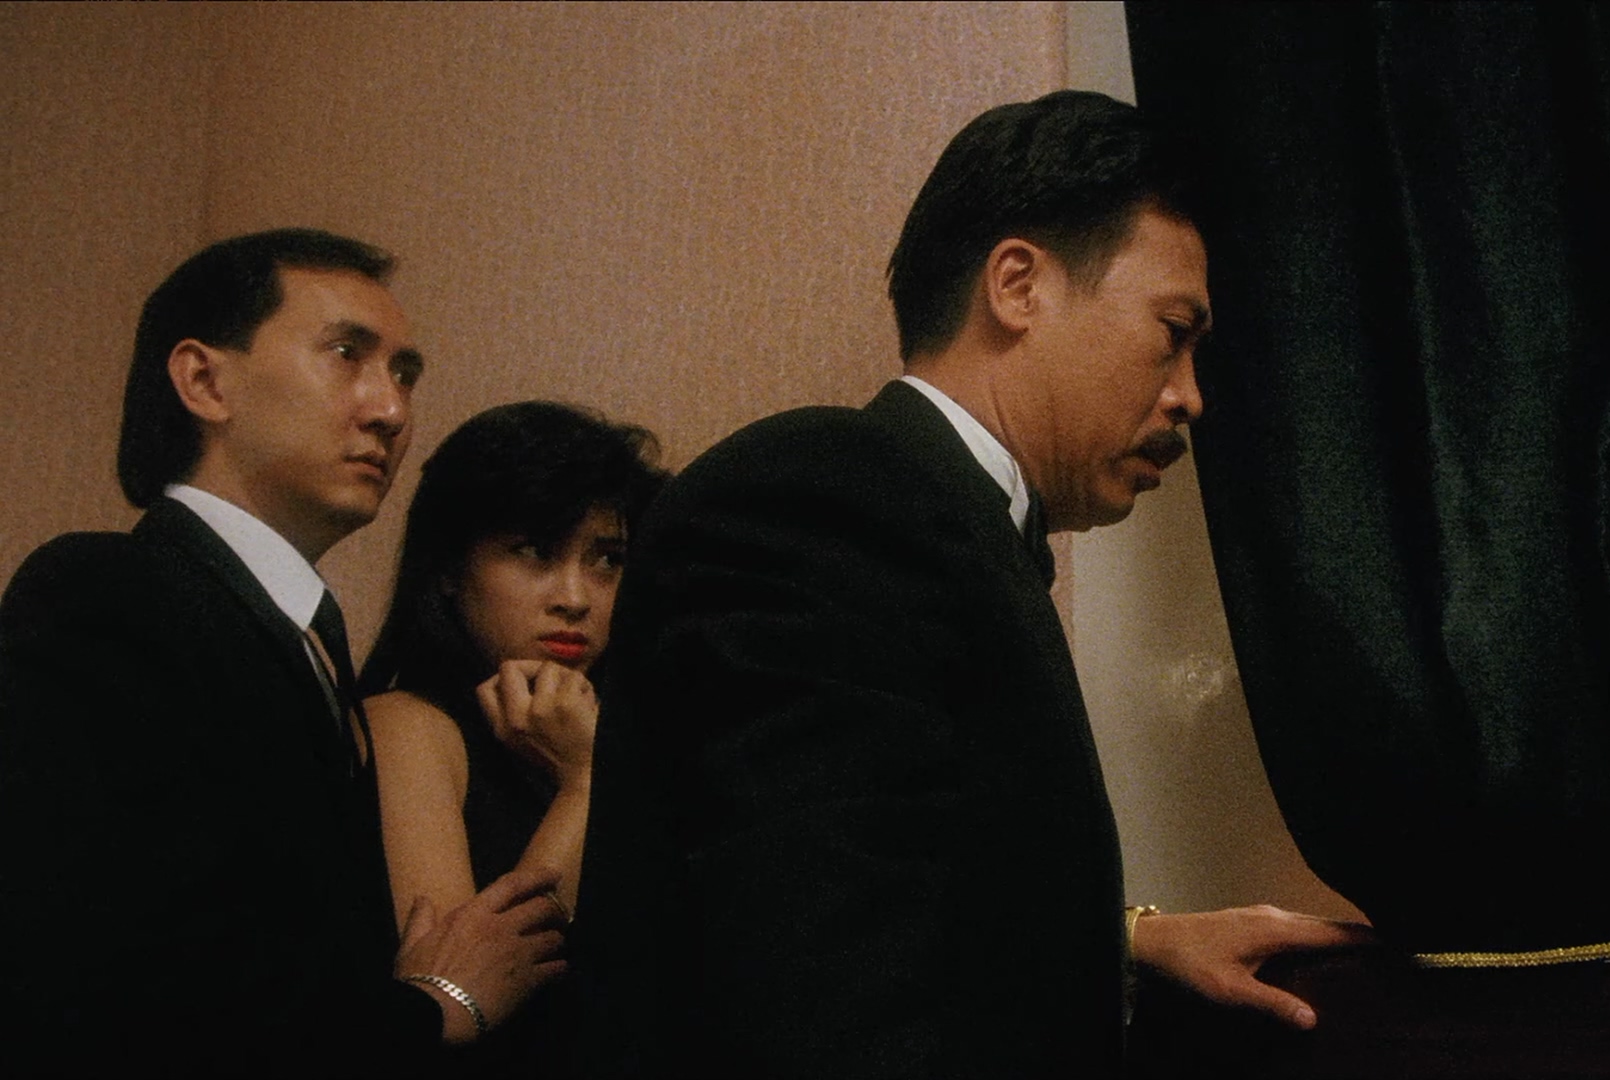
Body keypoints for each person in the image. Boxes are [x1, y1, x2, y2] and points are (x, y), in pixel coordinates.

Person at [575, 91, 1370, 1077]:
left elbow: (906, 881)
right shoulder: (824, 496)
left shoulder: (937, 522)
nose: (1190, 396)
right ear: (1019, 286)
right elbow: (819, 981)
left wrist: (1126, 943)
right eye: (1173, 331)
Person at [0, 229, 566, 1074]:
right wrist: (431, 1009)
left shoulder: (303, 640)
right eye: (346, 354)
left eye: (405, 373)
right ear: (204, 381)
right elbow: (111, 972)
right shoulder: (106, 592)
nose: (391, 410)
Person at [358, 400, 667, 1069]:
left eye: (607, 559)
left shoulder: (641, 731)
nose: (575, 597)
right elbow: (465, 1000)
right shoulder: (408, 724)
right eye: (534, 552)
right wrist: (586, 781)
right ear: (449, 568)